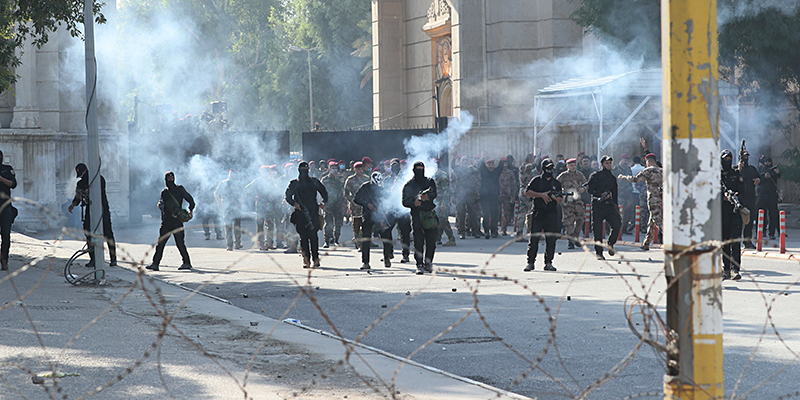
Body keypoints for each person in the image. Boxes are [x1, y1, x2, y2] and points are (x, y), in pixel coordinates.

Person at [68, 163, 117, 268]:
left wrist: (91, 190)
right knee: (89, 233)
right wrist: (73, 204)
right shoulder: (80, 183)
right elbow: (78, 197)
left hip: (102, 209)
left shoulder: (99, 179)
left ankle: (113, 259)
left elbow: (100, 190)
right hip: (90, 210)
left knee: (108, 233)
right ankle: (93, 259)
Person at [147, 171, 195, 271]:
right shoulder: (166, 192)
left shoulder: (174, 190)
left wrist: (190, 211)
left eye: (171, 179)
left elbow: (190, 200)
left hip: (172, 221)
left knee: (175, 243)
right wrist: (191, 210)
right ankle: (156, 263)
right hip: (170, 222)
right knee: (165, 244)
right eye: (169, 179)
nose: (170, 181)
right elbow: (190, 200)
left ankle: (185, 263)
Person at [285, 161, 328, 268]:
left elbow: (324, 192)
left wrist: (323, 203)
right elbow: (287, 196)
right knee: (303, 238)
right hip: (300, 214)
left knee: (313, 237)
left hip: (313, 213)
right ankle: (306, 260)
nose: (304, 172)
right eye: (302, 169)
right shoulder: (294, 183)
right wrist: (294, 203)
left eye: (306, 169)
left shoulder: (314, 182)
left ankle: (316, 259)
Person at [524, 159, 564, 272]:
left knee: (551, 240)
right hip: (538, 213)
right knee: (534, 240)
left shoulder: (556, 183)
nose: (550, 170)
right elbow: (527, 192)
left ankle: (548, 263)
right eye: (548, 168)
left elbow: (560, 199)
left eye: (552, 168)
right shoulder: (536, 181)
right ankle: (530, 263)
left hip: (551, 214)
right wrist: (541, 195)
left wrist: (555, 198)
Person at [618, 153, 663, 250]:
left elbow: (635, 179)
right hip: (662, 198)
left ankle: (670, 237)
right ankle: (646, 243)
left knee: (656, 219)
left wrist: (623, 177)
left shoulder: (648, 170)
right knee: (652, 220)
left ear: (649, 162)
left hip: (653, 198)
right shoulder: (662, 171)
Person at [402, 161, 438, 275]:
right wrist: (414, 203)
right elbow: (404, 201)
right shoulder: (409, 185)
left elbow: (434, 193)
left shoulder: (429, 181)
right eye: (417, 169)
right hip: (417, 215)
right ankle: (419, 264)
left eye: (421, 168)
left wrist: (426, 197)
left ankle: (428, 263)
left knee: (431, 241)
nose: (420, 171)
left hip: (429, 214)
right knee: (418, 241)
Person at [355, 172, 394, 270]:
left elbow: (388, 201)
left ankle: (386, 257)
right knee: (366, 239)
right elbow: (356, 199)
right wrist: (367, 204)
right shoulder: (365, 187)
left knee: (386, 236)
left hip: (380, 216)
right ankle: (365, 262)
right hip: (367, 216)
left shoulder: (382, 189)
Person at [587, 155, 621, 260]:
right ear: (602, 165)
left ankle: (610, 244)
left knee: (617, 225)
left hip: (609, 206)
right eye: (606, 163)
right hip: (598, 205)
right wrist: (600, 193)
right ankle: (599, 253)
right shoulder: (595, 176)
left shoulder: (612, 178)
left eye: (610, 163)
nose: (609, 165)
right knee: (597, 230)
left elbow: (615, 193)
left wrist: (616, 206)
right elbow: (590, 189)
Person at [721, 150, 743, 280]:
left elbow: (744, 190)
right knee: (725, 243)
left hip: (735, 213)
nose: (727, 161)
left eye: (730, 159)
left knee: (735, 242)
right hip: (722, 213)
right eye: (725, 159)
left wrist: (735, 195)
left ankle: (736, 269)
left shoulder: (736, 175)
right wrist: (722, 197)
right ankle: (727, 269)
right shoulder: (717, 177)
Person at [556, 158, 587, 249]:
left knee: (581, 219)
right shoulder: (563, 176)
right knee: (568, 222)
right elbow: (555, 185)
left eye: (574, 165)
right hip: (567, 201)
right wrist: (560, 193)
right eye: (571, 165)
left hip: (577, 201)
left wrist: (583, 189)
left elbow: (587, 184)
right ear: (567, 166)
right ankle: (570, 241)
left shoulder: (580, 175)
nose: (573, 167)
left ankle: (575, 237)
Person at [215, 170, 244, 251]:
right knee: (237, 226)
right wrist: (242, 204)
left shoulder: (223, 183)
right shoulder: (238, 183)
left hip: (227, 207)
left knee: (228, 226)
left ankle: (230, 245)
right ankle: (237, 244)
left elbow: (216, 194)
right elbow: (242, 196)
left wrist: (220, 203)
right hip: (236, 207)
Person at [736, 146, 759, 248]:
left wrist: (758, 180)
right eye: (744, 156)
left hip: (750, 198)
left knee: (749, 221)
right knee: (738, 222)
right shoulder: (735, 169)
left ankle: (747, 241)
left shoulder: (752, 169)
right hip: (739, 199)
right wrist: (738, 170)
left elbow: (759, 177)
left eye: (747, 156)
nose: (746, 158)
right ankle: (736, 241)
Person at [321, 161, 347, 247]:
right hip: (328, 204)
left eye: (336, 169)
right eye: (332, 169)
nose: (334, 170)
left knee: (338, 223)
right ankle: (327, 241)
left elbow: (344, 191)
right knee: (328, 223)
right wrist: (321, 204)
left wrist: (344, 204)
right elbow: (320, 192)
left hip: (338, 204)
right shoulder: (325, 179)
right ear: (329, 169)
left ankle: (336, 240)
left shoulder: (341, 179)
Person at [344, 161, 369, 249]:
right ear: (354, 170)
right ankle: (357, 242)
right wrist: (352, 200)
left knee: (365, 224)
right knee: (356, 225)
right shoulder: (350, 180)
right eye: (358, 169)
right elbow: (346, 193)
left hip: (365, 205)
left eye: (361, 169)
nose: (360, 171)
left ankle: (361, 243)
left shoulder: (367, 179)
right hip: (355, 206)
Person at [756, 155, 780, 240]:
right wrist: (764, 177)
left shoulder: (773, 170)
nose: (767, 163)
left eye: (769, 162)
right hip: (762, 194)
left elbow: (778, 175)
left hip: (772, 195)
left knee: (773, 214)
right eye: (766, 162)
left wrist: (775, 173)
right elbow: (758, 179)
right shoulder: (760, 170)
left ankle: (772, 233)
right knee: (760, 213)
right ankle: (760, 232)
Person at [0, 150, 17, 270]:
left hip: (5, 207)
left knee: (5, 235)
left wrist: (1, 179)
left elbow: (13, 184)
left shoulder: (7, 169)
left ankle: (4, 260)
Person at [434, 161, 457, 246]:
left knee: (443, 220)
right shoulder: (434, 175)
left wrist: (444, 203)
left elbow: (446, 191)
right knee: (439, 220)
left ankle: (451, 239)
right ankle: (438, 238)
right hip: (437, 201)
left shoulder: (442, 177)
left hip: (442, 201)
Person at [479, 158, 504, 238]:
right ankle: (486, 231)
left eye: (492, 164)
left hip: (494, 197)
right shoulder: (484, 172)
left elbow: (500, 167)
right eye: (489, 165)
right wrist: (483, 157)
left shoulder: (495, 172)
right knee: (486, 215)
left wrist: (501, 158)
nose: (491, 166)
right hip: (485, 197)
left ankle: (494, 231)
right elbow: (482, 166)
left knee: (494, 214)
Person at [612, 154, 636, 234]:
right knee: (618, 212)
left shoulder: (628, 169)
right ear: (620, 160)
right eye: (624, 160)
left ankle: (624, 228)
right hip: (619, 193)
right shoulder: (615, 169)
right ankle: (618, 229)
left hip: (628, 194)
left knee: (629, 210)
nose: (626, 162)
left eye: (627, 160)